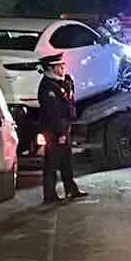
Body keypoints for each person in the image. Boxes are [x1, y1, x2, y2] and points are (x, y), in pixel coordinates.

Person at [36, 53, 86, 204]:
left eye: (63, 66)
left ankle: (71, 189)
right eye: (59, 67)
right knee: (52, 164)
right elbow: (53, 112)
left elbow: (69, 101)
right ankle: (50, 195)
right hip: (53, 129)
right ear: (50, 69)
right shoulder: (47, 86)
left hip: (65, 127)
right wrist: (60, 133)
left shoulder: (64, 81)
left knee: (67, 162)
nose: (62, 69)